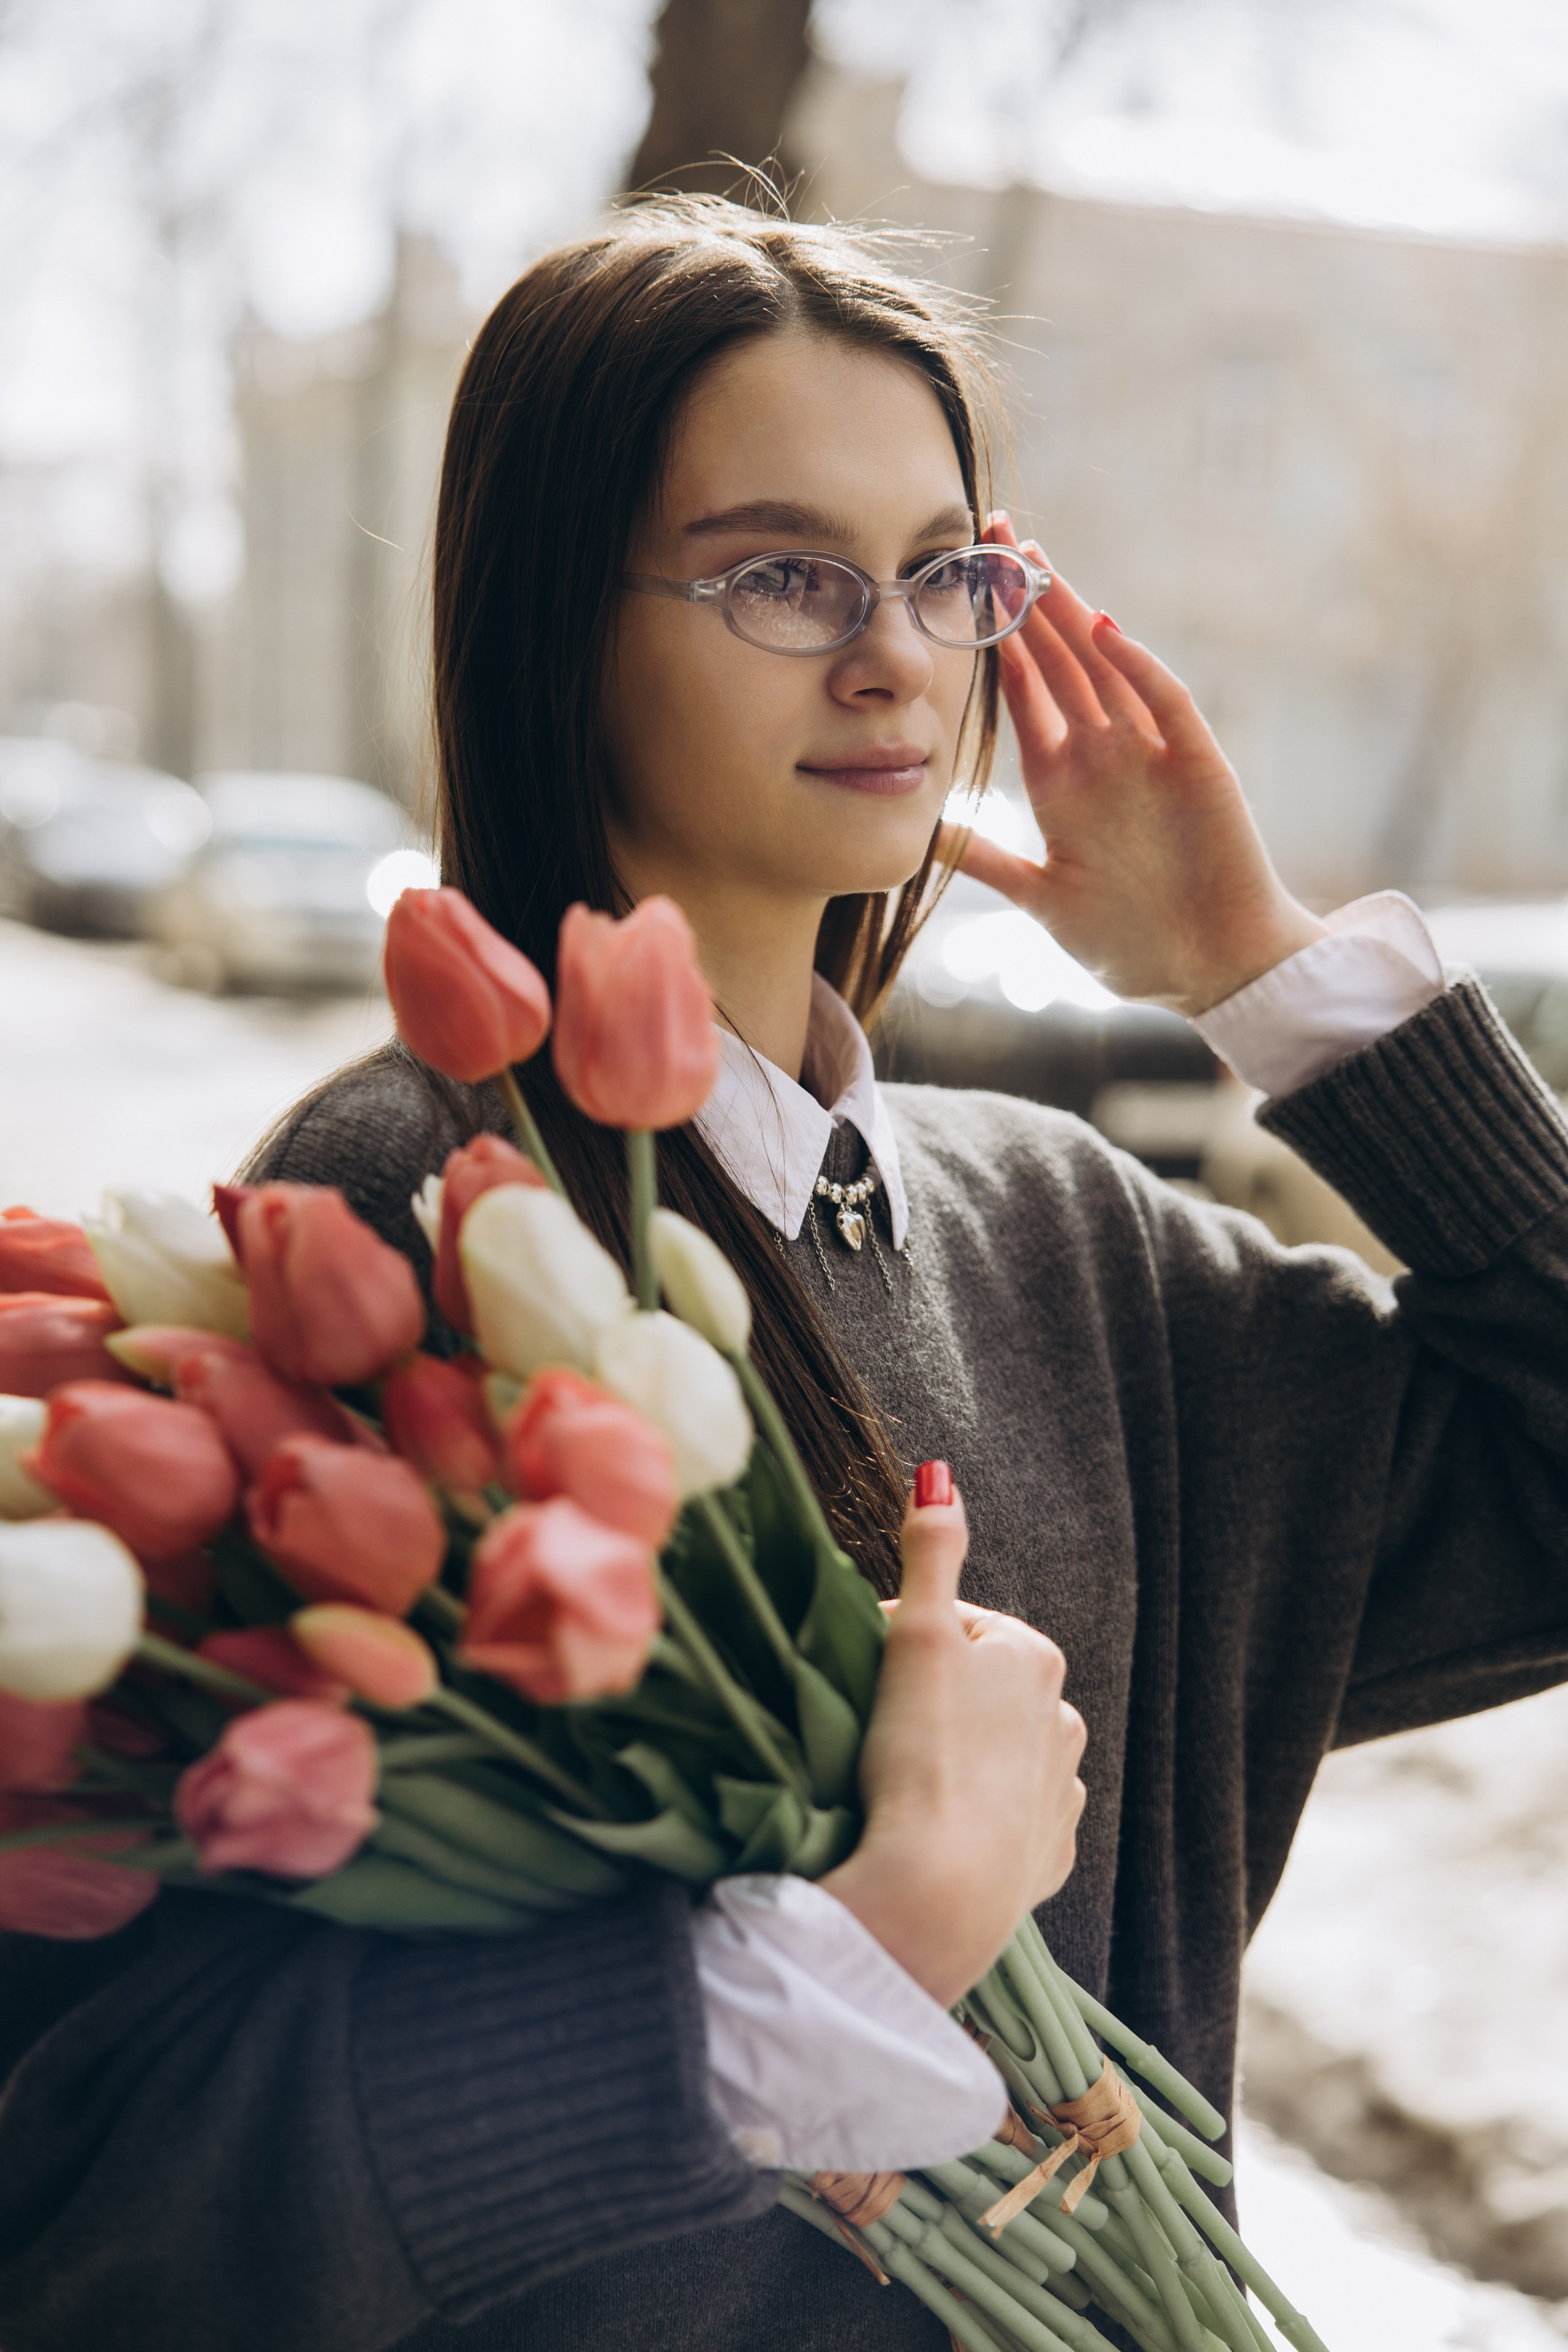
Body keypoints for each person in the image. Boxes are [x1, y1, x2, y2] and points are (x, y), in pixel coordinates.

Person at [6, 190, 1568, 2352]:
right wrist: (833, 1963)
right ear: (561, 617)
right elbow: (152, 2185)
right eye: (778, 573)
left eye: (947, 572)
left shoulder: (1078, 1241)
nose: (896, 655)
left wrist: (1266, 976)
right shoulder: (414, 1213)